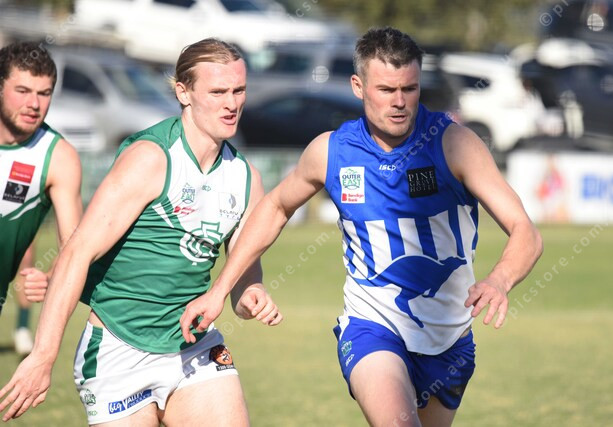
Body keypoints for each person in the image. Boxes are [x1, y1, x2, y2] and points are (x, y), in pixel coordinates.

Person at [178, 27, 543, 426]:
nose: (400, 102)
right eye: (386, 90)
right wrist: (221, 290)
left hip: (450, 341)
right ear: (358, 86)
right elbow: (275, 208)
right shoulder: (331, 151)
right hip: (372, 328)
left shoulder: (454, 144)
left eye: (410, 88)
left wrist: (500, 280)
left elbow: (524, 230)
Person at [0, 38, 281, 425]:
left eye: (239, 90)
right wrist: (43, 356)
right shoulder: (150, 159)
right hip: (119, 350)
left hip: (194, 349)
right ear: (183, 92)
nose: (231, 103)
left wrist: (251, 295)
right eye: (218, 92)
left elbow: (244, 272)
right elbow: (77, 251)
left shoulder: (246, 178)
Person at [0, 41, 82, 348]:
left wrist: (50, 278)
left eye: (44, 93)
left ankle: (22, 328)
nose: (33, 103)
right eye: (22, 91)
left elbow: (75, 248)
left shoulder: (58, 157)